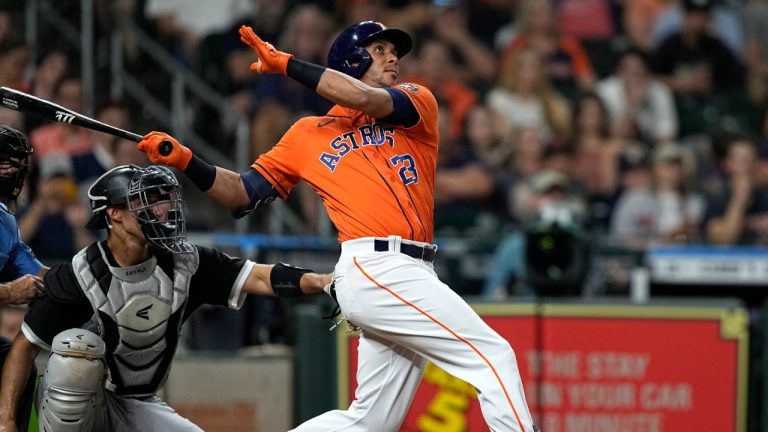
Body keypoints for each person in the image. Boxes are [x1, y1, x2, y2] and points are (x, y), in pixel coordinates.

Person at [136, 21, 537, 431]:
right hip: (374, 265)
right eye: (379, 50)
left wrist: (288, 64)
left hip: (411, 269)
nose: (393, 57)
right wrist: (186, 160)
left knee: (371, 422)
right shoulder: (306, 134)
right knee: (493, 355)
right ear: (352, 59)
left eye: (393, 51)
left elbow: (363, 96)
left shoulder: (417, 102)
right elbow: (241, 193)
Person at [0, 164, 331, 432]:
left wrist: (323, 281)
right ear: (114, 214)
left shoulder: (186, 261)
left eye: (163, 199)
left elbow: (258, 276)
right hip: (80, 404)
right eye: (146, 201)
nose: (162, 210)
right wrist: (7, 421)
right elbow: (24, 346)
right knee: (76, 350)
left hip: (139, 401)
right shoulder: (79, 272)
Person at [0, 124, 47, 432]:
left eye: (16, 163)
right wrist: (8, 293)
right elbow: (15, 288)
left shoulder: (5, 219)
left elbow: (39, 273)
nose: (12, 170)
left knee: (17, 363)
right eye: (3, 162)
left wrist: (95, 275)